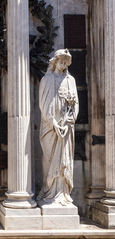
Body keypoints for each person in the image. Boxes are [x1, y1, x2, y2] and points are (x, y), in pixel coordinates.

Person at [38, 49, 79, 206]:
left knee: (64, 160)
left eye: (65, 62)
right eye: (61, 61)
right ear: (54, 61)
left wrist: (70, 119)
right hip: (50, 127)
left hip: (66, 127)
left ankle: (62, 194)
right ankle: (49, 192)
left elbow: (75, 104)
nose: (63, 64)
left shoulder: (71, 80)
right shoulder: (46, 80)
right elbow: (43, 104)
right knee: (49, 159)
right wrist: (53, 123)